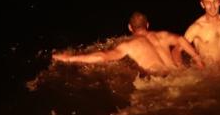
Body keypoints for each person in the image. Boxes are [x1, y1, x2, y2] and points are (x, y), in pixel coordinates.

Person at [53, 12, 204, 73]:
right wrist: (197, 58)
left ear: (130, 27)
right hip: (179, 74)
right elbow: (181, 40)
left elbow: (103, 56)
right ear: (148, 24)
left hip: (163, 82)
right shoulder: (163, 35)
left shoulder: (129, 45)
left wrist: (70, 58)